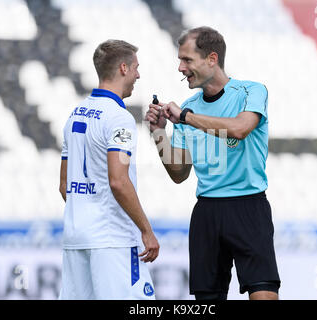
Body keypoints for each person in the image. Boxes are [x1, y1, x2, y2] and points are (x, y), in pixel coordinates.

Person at [145, 26, 280, 300]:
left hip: (248, 205)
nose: (181, 68)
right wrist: (159, 133)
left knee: (264, 294)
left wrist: (187, 118)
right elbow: (179, 173)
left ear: (212, 59)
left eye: (187, 60)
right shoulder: (188, 107)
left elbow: (241, 128)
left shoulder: (251, 92)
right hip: (207, 212)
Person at [59, 39, 159, 300]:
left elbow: (64, 186)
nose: (139, 74)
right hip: (112, 240)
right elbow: (118, 181)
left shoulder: (75, 114)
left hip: (76, 237)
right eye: (136, 67)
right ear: (123, 68)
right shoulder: (119, 118)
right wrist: (146, 231)